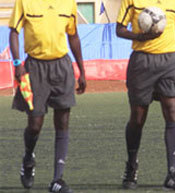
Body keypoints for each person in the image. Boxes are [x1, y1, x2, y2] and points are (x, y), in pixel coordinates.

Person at [9, 0, 86, 192]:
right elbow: (14, 33)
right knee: (35, 124)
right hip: (35, 68)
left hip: (62, 67)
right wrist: (18, 63)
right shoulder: (24, 2)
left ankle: (58, 179)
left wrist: (82, 70)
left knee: (63, 120)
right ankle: (28, 158)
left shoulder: (69, 4)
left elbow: (73, 35)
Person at [116, 0, 175, 191]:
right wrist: (141, 36)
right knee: (138, 117)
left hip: (170, 61)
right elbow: (120, 29)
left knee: (173, 111)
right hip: (142, 61)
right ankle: (131, 166)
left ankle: (173, 173)